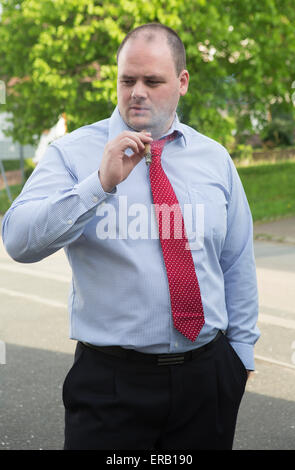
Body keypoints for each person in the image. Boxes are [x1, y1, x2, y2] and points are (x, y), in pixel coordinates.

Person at [1, 23, 260, 450]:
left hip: (207, 379)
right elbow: (18, 240)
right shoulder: (73, 154)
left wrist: (240, 356)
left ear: (182, 82)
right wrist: (99, 183)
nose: (137, 91)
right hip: (111, 385)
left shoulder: (214, 159)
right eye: (127, 80)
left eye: (152, 81)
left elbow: (236, 262)